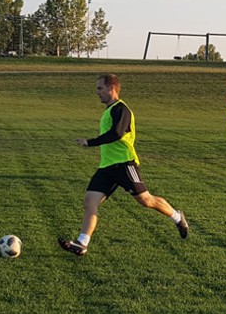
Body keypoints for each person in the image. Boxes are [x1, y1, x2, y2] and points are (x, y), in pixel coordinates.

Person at [58, 74, 189, 256]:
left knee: (146, 200)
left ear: (111, 88)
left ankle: (177, 217)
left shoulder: (122, 110)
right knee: (90, 202)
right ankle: (82, 243)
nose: (97, 93)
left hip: (125, 164)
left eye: (100, 88)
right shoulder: (109, 110)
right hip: (107, 167)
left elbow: (117, 133)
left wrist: (90, 142)